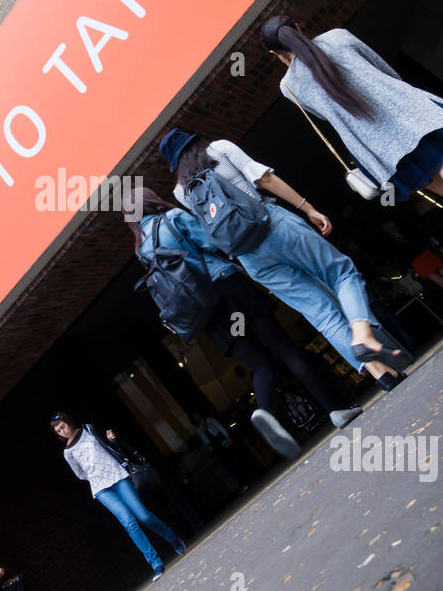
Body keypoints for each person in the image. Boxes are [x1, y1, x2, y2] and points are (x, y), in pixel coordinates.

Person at [261, 17, 443, 271]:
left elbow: (324, 115)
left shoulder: (288, 87)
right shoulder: (338, 36)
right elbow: (385, 71)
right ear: (298, 27)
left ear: (275, 53)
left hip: (377, 147)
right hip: (407, 115)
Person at [127, 185, 362, 458]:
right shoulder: (173, 219)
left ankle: (266, 412)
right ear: (150, 200)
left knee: (261, 364)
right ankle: (335, 410)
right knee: (283, 347)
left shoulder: (141, 248)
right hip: (229, 293)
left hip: (210, 317)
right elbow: (213, 242)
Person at [158, 132, 407, 382]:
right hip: (272, 224)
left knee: (318, 311)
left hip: (249, 256)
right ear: (195, 140)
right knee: (342, 273)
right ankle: (363, 333)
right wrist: (308, 208)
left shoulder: (181, 191)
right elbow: (265, 179)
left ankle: (379, 372)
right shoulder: (220, 149)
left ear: (174, 163)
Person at [51, 413, 185, 580]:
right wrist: (96, 476)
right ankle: (155, 563)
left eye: (62, 426)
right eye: (58, 431)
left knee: (143, 515)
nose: (61, 431)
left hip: (117, 476)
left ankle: (172, 538)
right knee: (128, 522)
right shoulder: (67, 452)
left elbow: (109, 444)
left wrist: (112, 440)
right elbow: (80, 474)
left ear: (68, 423)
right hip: (100, 489)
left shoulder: (88, 429)